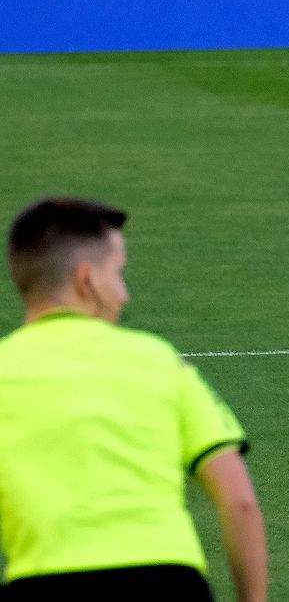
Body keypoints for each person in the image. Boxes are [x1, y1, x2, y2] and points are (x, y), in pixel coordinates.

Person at [0, 198, 267, 600]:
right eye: (118, 274)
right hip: (169, 584)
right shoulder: (158, 359)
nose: (124, 294)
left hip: (42, 584)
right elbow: (239, 501)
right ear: (85, 280)